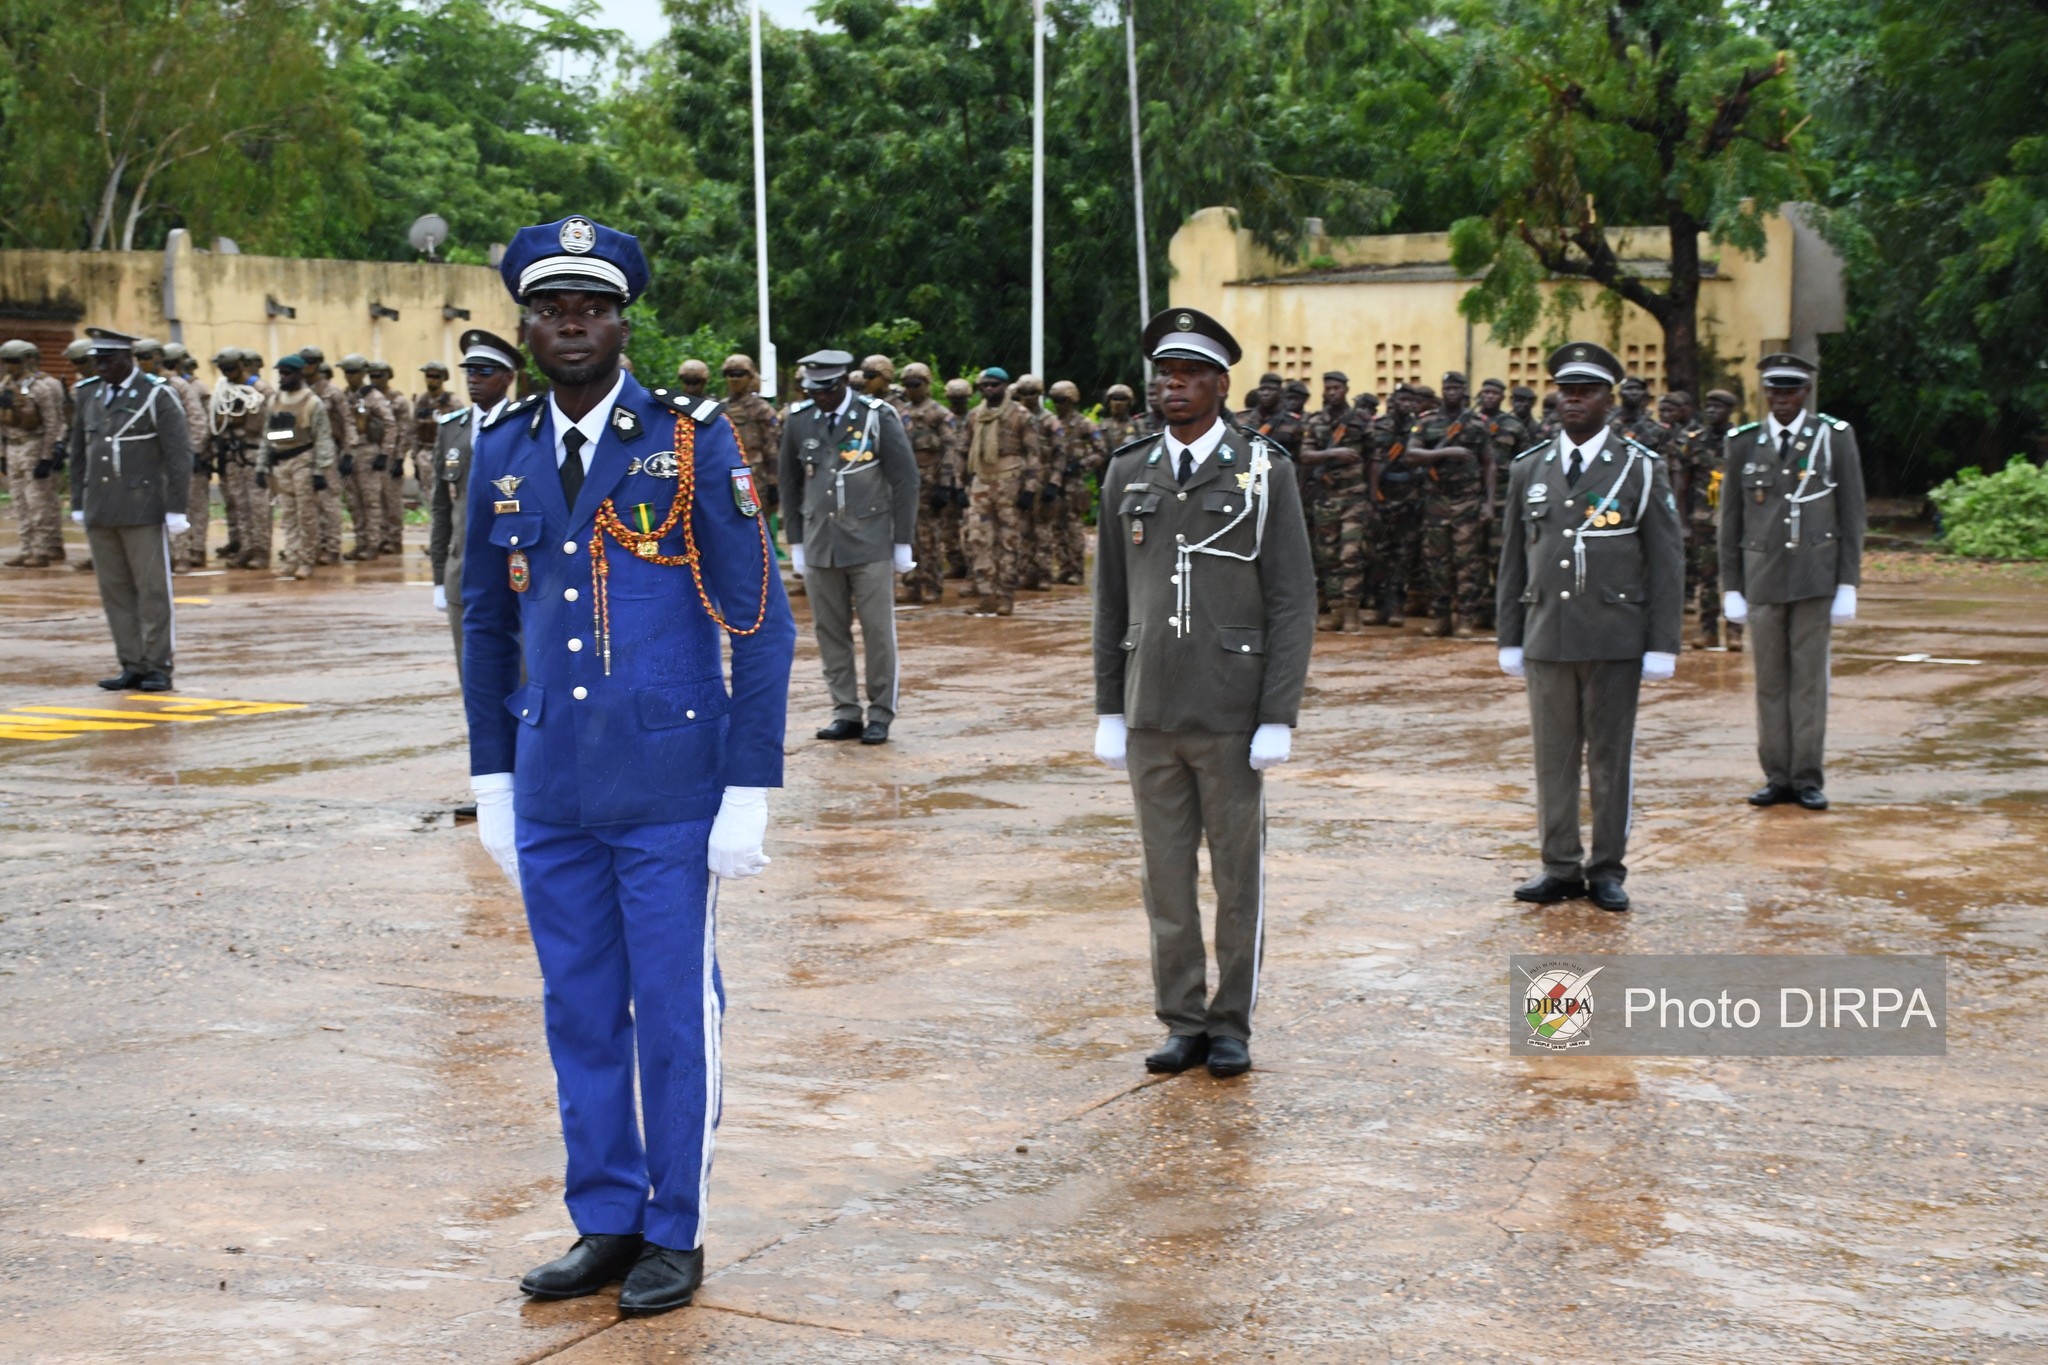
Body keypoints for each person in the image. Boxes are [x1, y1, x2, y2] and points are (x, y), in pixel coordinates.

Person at [463, 215, 795, 1318]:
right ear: (527, 323)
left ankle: (673, 1225)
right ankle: (604, 1215)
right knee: (578, 1010)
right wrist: (492, 778)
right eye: (552, 308)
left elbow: (758, 617)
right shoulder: (500, 446)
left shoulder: (691, 439)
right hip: (553, 781)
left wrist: (748, 787)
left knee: (669, 1012)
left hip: (667, 786)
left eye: (591, 308)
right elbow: (483, 625)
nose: (571, 325)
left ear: (620, 321)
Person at [1091, 307, 1315, 1079]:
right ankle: (1182, 1018)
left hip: (1229, 710)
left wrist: (1277, 715)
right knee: (1165, 880)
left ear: (1222, 384)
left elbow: (1292, 599)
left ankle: (1231, 1022)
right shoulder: (1129, 469)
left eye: (1188, 374)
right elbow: (1111, 599)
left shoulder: (1263, 469)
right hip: (1152, 709)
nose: (1172, 386)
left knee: (1235, 878)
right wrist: (1109, 706)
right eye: (1164, 373)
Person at [1495, 342, 1684, 914]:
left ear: (1611, 400)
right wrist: (1509, 634)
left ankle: (1605, 868)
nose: (1572, 398)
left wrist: (1662, 643)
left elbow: (1667, 560)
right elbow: (1512, 558)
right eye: (1566, 389)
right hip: (1548, 633)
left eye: (1587, 390)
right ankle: (1559, 865)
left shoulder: (1640, 467)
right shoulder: (1530, 467)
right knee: (1552, 758)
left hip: (1613, 636)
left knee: (1608, 758)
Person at [1719, 354, 1866, 811]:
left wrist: (1848, 582)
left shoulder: (1833, 437)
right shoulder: (1744, 442)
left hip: (1814, 577)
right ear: (1766, 395)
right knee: (1769, 682)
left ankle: (1806, 777)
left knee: (1808, 683)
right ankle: (1776, 776)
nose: (1782, 400)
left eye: (1791, 391)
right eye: (1775, 392)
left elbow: (1852, 513)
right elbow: (1731, 520)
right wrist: (1731, 586)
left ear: (1805, 394)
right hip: (1762, 578)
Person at [778, 348, 919, 744]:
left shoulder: (877, 416)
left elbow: (905, 480)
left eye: (824, 389)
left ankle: (880, 713)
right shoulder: (799, 420)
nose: (818, 396)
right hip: (821, 542)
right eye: (812, 390)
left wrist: (902, 541)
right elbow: (789, 484)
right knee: (830, 631)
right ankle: (845, 710)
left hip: (870, 542)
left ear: (842, 384)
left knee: (877, 632)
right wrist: (797, 542)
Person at [66, 328, 192, 691]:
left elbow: (178, 455)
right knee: (115, 591)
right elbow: (78, 452)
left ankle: (158, 666)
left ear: (128, 359)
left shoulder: (156, 395)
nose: (101, 367)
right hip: (101, 510)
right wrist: (78, 501)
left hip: (143, 508)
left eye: (108, 360)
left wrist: (175, 509)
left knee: (152, 590)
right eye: (97, 361)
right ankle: (132, 663)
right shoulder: (88, 393)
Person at [430, 330, 518, 670]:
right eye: (469, 372)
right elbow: (440, 507)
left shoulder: (529, 426)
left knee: (520, 671)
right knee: (472, 672)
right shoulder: (451, 428)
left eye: (484, 372)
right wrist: (439, 576)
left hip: (515, 566)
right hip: (462, 567)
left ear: (508, 378)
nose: (474, 380)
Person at [1411, 370, 1492, 637]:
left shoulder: (1478, 424)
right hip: (1436, 501)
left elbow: (1489, 463)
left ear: (1464, 391)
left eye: (1457, 388)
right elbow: (1411, 453)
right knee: (1436, 562)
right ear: (1442, 390)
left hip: (1467, 501)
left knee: (1467, 562)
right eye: (1448, 388)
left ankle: (1466, 617)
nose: (1452, 392)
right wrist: (1446, 452)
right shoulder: (1427, 422)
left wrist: (1488, 502)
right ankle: (1441, 617)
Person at [960, 366, 1041, 616]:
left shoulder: (1021, 415)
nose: (989, 389)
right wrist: (959, 484)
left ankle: (1006, 596)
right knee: (978, 540)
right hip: (981, 483)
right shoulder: (975, 416)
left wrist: (1030, 488)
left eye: (994, 384)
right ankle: (986, 595)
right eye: (985, 385)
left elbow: (1034, 454)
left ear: (1005, 386)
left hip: (1010, 484)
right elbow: (963, 451)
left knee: (1008, 542)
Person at [1298, 370, 1372, 632]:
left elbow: (1373, 459)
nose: (1331, 392)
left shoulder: (1361, 420)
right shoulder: (1316, 421)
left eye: (1336, 388)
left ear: (1346, 390)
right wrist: (1333, 453)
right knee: (1327, 556)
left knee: (1351, 554)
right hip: (1325, 499)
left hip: (1354, 497)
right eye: (1328, 388)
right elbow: (1305, 455)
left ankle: (1353, 611)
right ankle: (1337, 609)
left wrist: (1372, 495)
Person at [1673, 388, 1739, 650]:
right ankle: (1708, 629)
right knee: (1707, 577)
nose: (1712, 411)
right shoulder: (1695, 441)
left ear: (1730, 410)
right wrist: (1683, 522)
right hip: (1703, 519)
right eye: (1709, 406)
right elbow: (1681, 483)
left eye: (1718, 406)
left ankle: (1735, 630)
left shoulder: (1741, 441)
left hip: (1735, 519)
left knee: (1736, 577)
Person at [260, 354, 337, 581]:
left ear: (299, 374)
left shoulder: (312, 402)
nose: (283, 377)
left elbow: (323, 438)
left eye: (287, 373)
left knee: (307, 515)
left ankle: (306, 560)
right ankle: (291, 559)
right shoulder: (275, 400)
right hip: (280, 462)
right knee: (288, 515)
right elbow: (267, 435)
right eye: (281, 373)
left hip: (303, 461)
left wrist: (320, 471)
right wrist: (261, 466)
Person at [0, 339, 64, 568]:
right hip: (13, 446)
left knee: (37, 501)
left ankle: (41, 549)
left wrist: (48, 456)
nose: (10, 366)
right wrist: (2, 454)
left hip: (34, 445)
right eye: (6, 361)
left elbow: (52, 423)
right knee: (19, 501)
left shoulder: (41, 388)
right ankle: (26, 548)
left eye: (14, 361)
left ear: (27, 360)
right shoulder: (4, 386)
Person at [1365, 385, 1425, 625]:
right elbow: (1369, 460)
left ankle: (1397, 606)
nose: (1407, 404)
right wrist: (1371, 496)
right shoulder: (1379, 426)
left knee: (1403, 554)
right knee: (1380, 553)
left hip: (1410, 497)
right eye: (1402, 399)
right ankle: (1379, 606)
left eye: (1411, 400)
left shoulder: (1420, 427)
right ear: (1393, 401)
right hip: (1383, 497)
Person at [898, 362, 956, 604]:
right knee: (907, 536)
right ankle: (912, 584)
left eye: (916, 384)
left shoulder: (939, 413)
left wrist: (945, 482)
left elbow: (950, 448)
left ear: (926, 384)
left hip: (931, 482)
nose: (911, 389)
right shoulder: (901, 413)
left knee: (929, 538)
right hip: (907, 483)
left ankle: (933, 585)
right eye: (907, 385)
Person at [210, 350, 272, 570]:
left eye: (231, 369)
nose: (227, 374)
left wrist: (233, 417)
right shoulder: (224, 389)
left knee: (258, 506)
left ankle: (261, 550)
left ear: (242, 365)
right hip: (233, 454)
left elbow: (256, 424)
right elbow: (217, 421)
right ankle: (246, 548)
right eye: (224, 369)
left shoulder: (261, 390)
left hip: (255, 454)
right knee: (239, 505)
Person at [299, 349, 354, 565]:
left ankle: (331, 547)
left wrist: (348, 452)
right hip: (303, 449)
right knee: (307, 502)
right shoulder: (299, 391)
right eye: (303, 362)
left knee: (328, 501)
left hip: (326, 449)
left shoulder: (332, 392)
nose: (306, 366)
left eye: (310, 362)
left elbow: (347, 422)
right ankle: (313, 545)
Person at [719, 354, 781, 541]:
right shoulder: (719, 408)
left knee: (758, 530)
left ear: (750, 376)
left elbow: (772, 449)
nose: (734, 378)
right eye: (729, 374)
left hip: (756, 480)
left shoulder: (762, 409)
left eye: (739, 374)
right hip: (725, 477)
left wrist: (773, 484)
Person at [338, 354, 392, 560]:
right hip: (349, 453)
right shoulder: (344, 395)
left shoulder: (373, 396)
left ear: (362, 374)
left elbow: (390, 424)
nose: (349, 376)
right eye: (346, 372)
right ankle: (360, 542)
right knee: (353, 501)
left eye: (353, 372)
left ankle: (373, 543)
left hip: (368, 450)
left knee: (371, 501)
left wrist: (385, 453)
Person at [1048, 379, 1101, 586]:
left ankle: (1076, 570)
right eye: (1054, 400)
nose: (1057, 404)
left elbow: (1101, 452)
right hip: (1054, 482)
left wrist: (1081, 464)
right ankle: (1063, 568)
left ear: (1071, 400)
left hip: (1074, 483)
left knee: (1073, 528)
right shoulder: (1051, 423)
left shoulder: (1085, 424)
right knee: (1056, 528)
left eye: (1061, 400)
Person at [1010, 373, 1060, 591]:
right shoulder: (1015, 418)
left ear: (1040, 394)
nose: (1028, 397)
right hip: (1018, 481)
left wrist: (1054, 482)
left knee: (1042, 530)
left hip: (1043, 480)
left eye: (1033, 393)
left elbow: (1060, 452)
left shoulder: (1049, 420)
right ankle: (1025, 573)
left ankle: (1044, 575)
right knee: (1022, 530)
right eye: (1024, 393)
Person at [367, 360, 409, 555]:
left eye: (379, 376)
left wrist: (400, 458)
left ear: (388, 376)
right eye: (372, 376)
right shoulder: (368, 398)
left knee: (391, 499)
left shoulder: (398, 400)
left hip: (392, 455)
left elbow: (404, 430)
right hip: (374, 452)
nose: (375, 380)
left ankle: (394, 538)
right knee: (376, 499)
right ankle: (381, 537)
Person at [941, 376, 974, 579]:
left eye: (961, 400)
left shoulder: (975, 419)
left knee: (972, 527)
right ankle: (956, 563)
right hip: (946, 479)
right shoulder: (944, 419)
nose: (958, 404)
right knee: (948, 527)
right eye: (954, 400)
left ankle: (973, 567)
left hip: (969, 479)